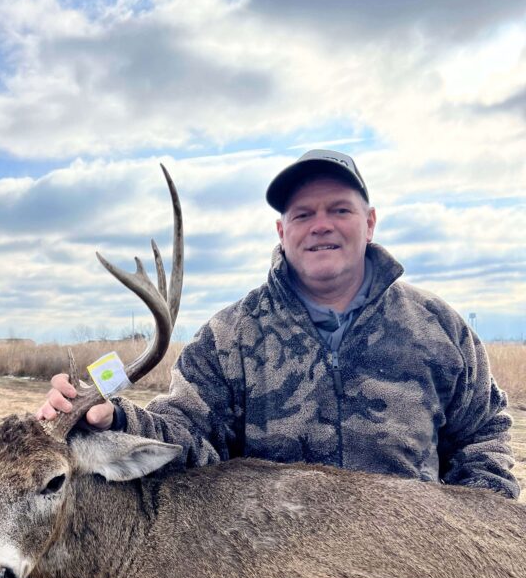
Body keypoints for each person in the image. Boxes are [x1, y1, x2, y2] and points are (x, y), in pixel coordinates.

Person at [37, 149, 520, 499]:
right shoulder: (231, 337)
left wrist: (468, 538)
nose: (321, 225)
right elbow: (189, 434)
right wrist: (118, 419)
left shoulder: (437, 329)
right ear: (281, 231)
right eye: (303, 214)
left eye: (340, 210)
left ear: (369, 222)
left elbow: (485, 434)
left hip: (413, 575)